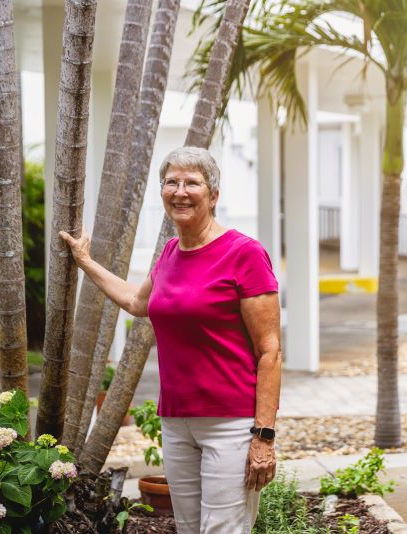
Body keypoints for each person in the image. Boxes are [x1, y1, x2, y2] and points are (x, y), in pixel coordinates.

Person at [60, 146, 281, 533]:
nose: (180, 191)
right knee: (189, 528)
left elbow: (270, 351)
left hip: (230, 422)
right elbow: (136, 300)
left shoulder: (244, 253)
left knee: (223, 529)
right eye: (171, 182)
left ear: (213, 195)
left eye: (192, 183)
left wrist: (263, 436)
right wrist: (85, 262)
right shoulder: (170, 251)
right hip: (177, 420)